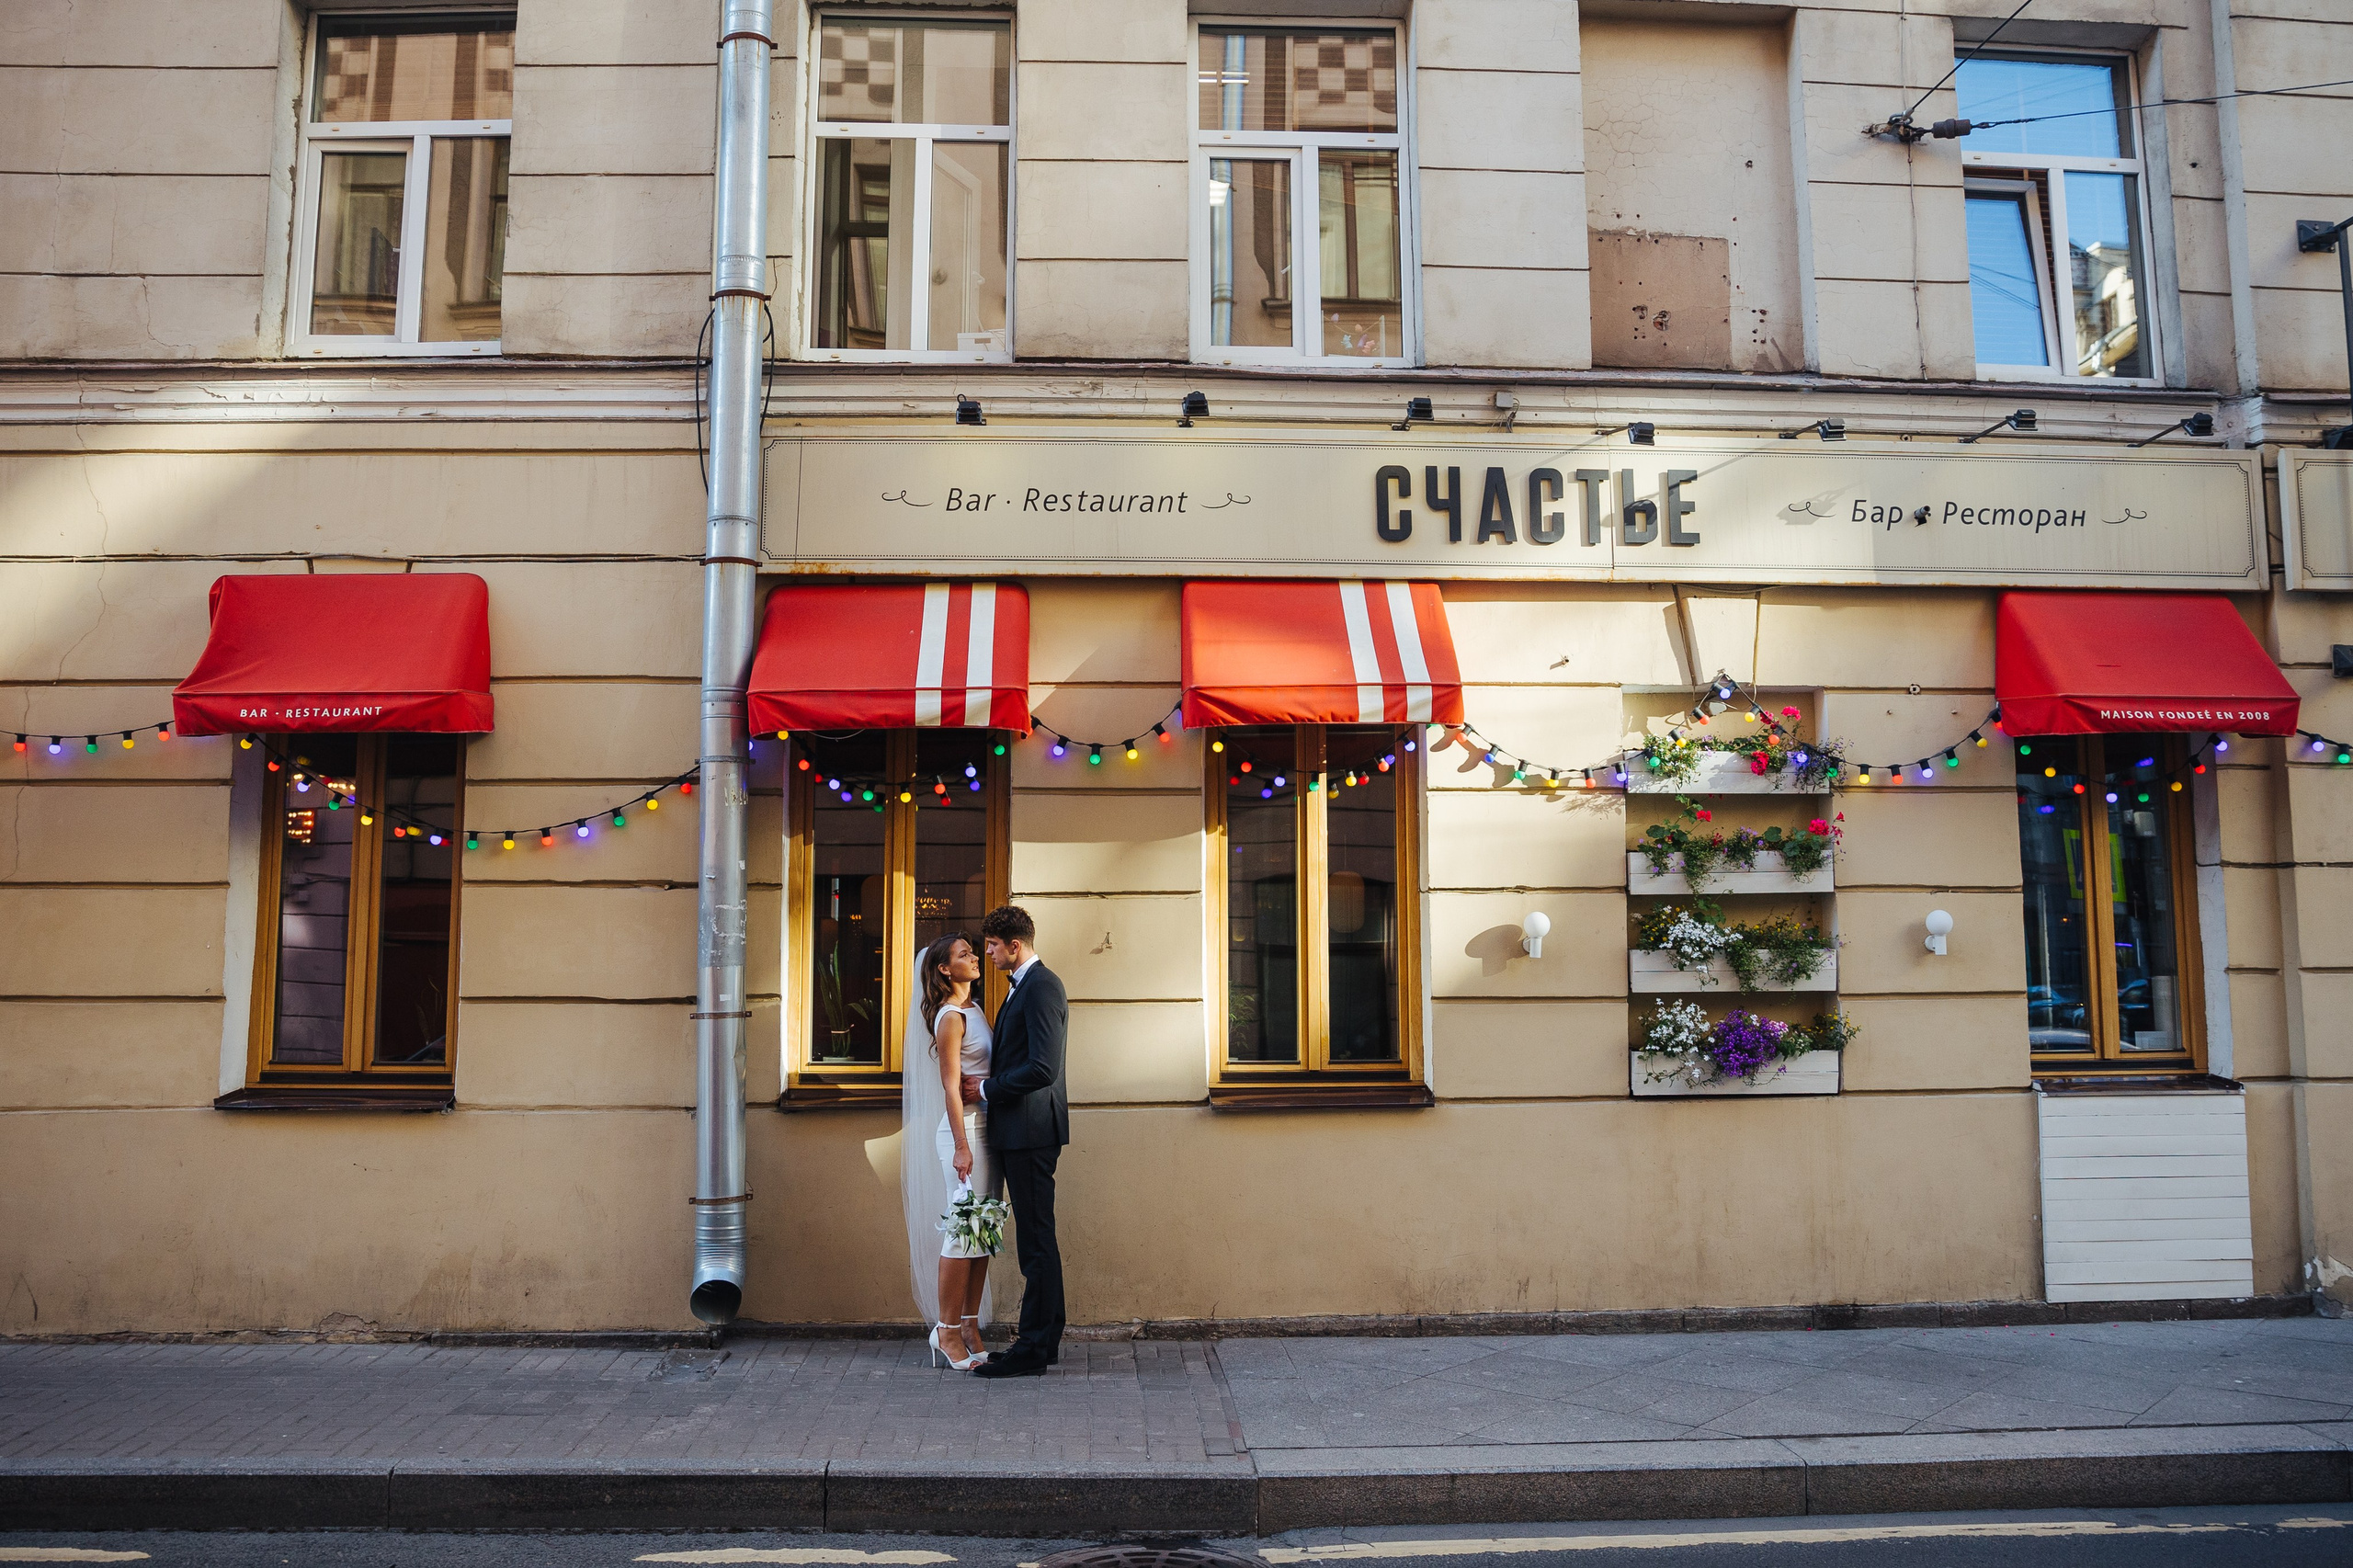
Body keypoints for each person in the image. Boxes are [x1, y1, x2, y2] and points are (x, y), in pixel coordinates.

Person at [964, 903, 1068, 1378]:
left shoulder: (1042, 986)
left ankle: (1033, 1347)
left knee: (1035, 1241)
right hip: (1018, 1131)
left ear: (1015, 945)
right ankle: (1044, 1342)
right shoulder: (1021, 988)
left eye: (991, 945)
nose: (987, 954)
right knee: (1036, 1238)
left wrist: (985, 1089)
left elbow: (1043, 1068)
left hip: (1030, 1132)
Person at [898, 935, 998, 1369]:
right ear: (943, 969)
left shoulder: (974, 1009)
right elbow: (951, 1089)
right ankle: (947, 1331)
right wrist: (960, 1146)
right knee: (962, 1234)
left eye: (973, 952)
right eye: (964, 955)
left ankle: (972, 1326)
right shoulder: (950, 1017)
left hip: (988, 1133)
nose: (975, 957)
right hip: (965, 1135)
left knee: (983, 1231)